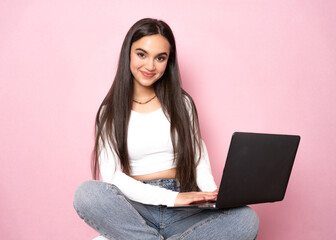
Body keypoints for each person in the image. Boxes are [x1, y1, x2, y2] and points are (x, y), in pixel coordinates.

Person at [73, 18, 259, 240]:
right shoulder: (109, 112)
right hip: (136, 208)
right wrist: (170, 199)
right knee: (87, 194)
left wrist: (211, 194)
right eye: (142, 54)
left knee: (246, 219)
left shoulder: (182, 103)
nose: (150, 66)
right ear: (128, 54)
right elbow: (113, 178)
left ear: (168, 61)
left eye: (160, 58)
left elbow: (197, 152)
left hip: (184, 208)